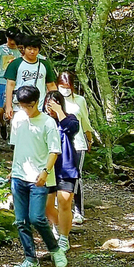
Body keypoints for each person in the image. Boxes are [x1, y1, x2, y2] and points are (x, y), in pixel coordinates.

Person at [9, 86, 68, 267]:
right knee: (21, 220)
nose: (25, 109)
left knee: (37, 217)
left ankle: (55, 249)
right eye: (21, 105)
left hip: (39, 178)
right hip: (18, 176)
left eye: (29, 105)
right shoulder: (17, 119)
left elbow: (54, 151)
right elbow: (17, 146)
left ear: (37, 102)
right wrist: (12, 169)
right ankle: (30, 258)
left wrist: (45, 171)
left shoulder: (47, 123)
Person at [56, 71, 100, 225]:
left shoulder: (80, 100)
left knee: (76, 176)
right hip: (58, 143)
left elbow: (85, 122)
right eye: (62, 86)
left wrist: (89, 138)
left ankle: (79, 211)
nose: (65, 90)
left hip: (77, 143)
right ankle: (59, 206)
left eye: (68, 87)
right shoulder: (53, 98)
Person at [43, 91, 79, 254]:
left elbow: (71, 129)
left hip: (66, 167)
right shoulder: (41, 121)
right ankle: (59, 226)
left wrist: (59, 112)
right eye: (48, 103)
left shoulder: (69, 118)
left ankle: (64, 238)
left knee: (64, 202)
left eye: (55, 103)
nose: (50, 106)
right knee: (46, 206)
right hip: (46, 169)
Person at [3, 35, 58, 122]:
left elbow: (51, 85)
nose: (32, 52)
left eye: (35, 49)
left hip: (40, 107)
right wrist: (8, 106)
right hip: (19, 107)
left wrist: (56, 104)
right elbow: (10, 85)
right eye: (29, 49)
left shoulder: (45, 64)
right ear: (24, 49)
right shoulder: (15, 64)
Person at [0, 28, 20, 140]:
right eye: (10, 39)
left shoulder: (21, 50)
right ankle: (2, 124)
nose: (12, 42)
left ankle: (14, 136)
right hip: (2, 81)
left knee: (16, 110)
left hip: (17, 83)